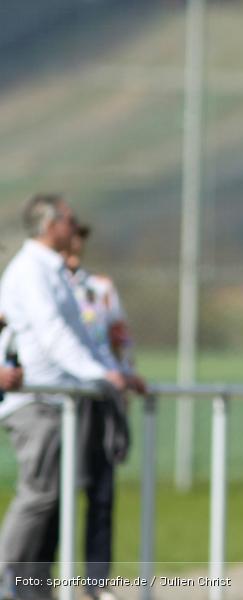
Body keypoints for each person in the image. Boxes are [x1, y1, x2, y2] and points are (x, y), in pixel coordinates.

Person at [0, 194, 127, 600]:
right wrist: (100, 375)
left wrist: (114, 373)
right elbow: (53, 333)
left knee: (52, 500)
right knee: (39, 495)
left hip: (59, 401)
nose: (75, 229)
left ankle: (30, 588)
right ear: (50, 225)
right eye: (69, 220)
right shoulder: (31, 271)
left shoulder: (53, 272)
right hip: (35, 401)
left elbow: (80, 335)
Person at [63, 222, 145, 600]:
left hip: (100, 400)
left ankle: (95, 581)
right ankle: (35, 577)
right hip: (57, 400)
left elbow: (120, 336)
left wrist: (126, 376)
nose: (73, 252)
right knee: (51, 493)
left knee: (101, 491)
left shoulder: (100, 288)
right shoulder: (42, 286)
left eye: (77, 244)